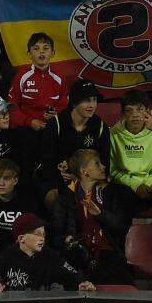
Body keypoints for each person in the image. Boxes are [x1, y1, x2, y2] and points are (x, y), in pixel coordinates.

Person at [51, 149, 137, 285]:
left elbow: (123, 226)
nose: (103, 167)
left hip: (108, 254)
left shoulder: (111, 193)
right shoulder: (66, 196)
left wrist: (101, 214)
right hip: (76, 255)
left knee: (122, 279)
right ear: (84, 171)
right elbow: (56, 232)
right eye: (97, 164)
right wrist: (66, 239)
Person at [38, 80, 111, 208]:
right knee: (53, 198)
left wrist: (81, 180)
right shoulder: (56, 124)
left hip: (88, 180)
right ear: (74, 102)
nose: (92, 105)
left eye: (94, 100)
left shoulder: (100, 126)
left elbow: (104, 163)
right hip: (57, 179)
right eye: (87, 100)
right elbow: (47, 162)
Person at [0, 213, 95, 292]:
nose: (42, 238)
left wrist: (81, 283)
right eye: (37, 234)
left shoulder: (51, 256)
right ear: (21, 239)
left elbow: (71, 275)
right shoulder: (6, 256)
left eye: (43, 234)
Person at [109, 91, 152, 205]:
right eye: (129, 110)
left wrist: (151, 185)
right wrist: (136, 186)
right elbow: (113, 170)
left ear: (148, 111)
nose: (134, 115)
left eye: (139, 109)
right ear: (122, 114)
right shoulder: (113, 134)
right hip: (123, 187)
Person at [0, 158, 42, 256]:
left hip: (21, 248)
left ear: (15, 180)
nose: (1, 184)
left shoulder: (28, 202)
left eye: (6, 179)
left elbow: (34, 231)